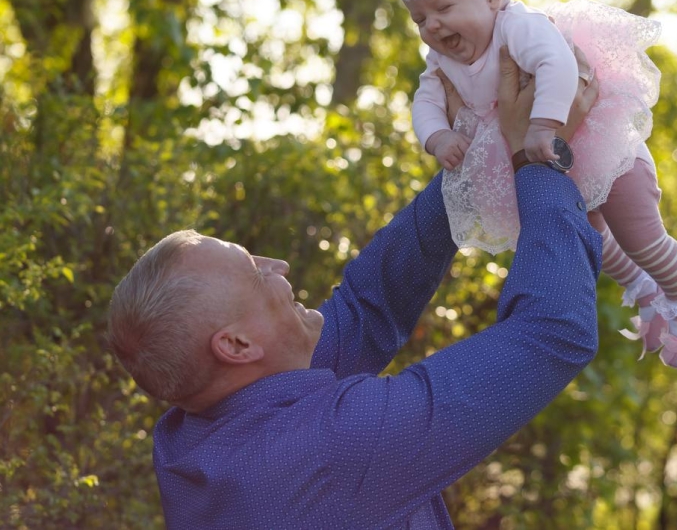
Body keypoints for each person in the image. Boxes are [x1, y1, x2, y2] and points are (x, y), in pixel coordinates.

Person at [106, 50, 602, 530]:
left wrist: (480, 148)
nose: (277, 267)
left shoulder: (189, 436)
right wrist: (538, 156)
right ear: (236, 345)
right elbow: (552, 333)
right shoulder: (332, 449)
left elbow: (368, 306)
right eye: (256, 274)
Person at [389, 0, 677, 369]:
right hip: (558, 166)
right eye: (419, 19)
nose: (431, 25)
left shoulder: (517, 25)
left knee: (640, 235)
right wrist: (438, 136)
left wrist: (543, 126)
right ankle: (644, 288)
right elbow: (424, 100)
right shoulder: (442, 59)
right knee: (595, 239)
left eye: (443, 8)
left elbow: (558, 64)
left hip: (602, 151)